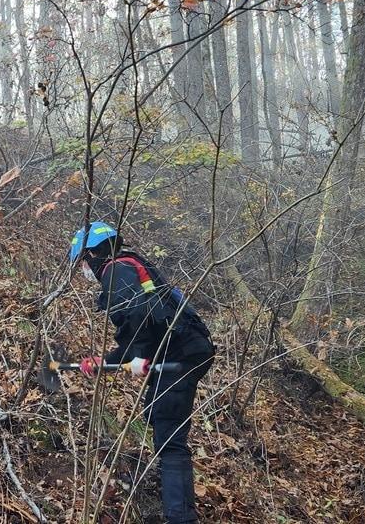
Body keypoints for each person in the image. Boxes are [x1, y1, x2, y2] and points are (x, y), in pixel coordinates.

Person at [67, 222, 215, 524]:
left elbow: (137, 323)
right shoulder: (130, 266)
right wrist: (112, 359)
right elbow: (143, 329)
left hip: (180, 354)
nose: (83, 269)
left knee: (169, 438)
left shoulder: (116, 271)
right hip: (183, 349)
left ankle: (181, 518)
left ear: (92, 254)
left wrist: (113, 359)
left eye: (82, 261)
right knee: (154, 413)